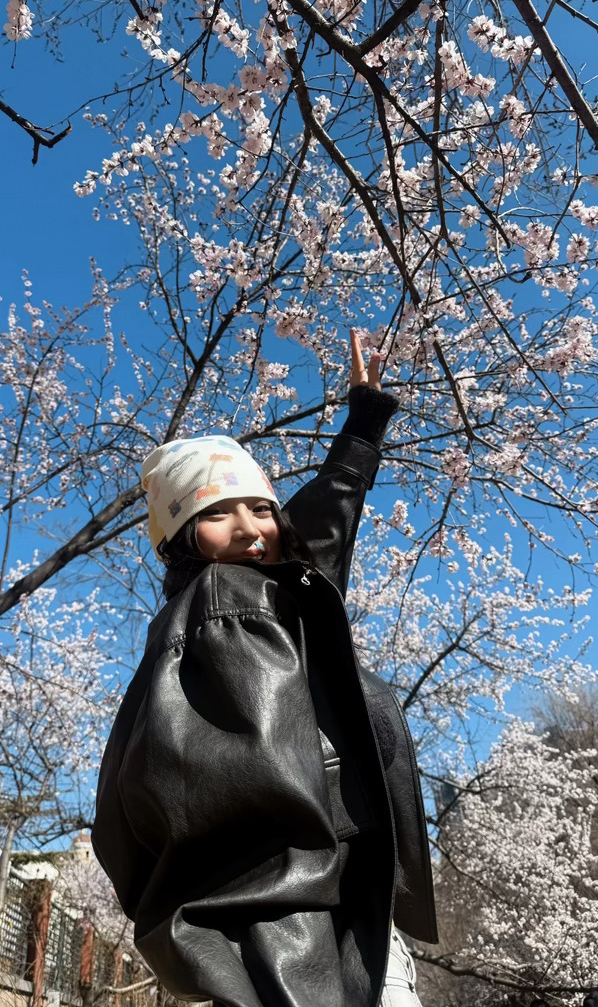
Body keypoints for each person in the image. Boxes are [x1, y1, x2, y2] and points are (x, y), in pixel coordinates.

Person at [92, 332, 437, 1007]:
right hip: (299, 933)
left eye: (260, 508)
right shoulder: (226, 608)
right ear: (180, 537)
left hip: (334, 912)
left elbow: (319, 541)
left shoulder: (263, 599)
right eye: (216, 513)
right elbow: (256, 823)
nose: (251, 527)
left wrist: (362, 428)